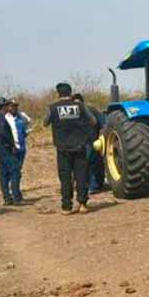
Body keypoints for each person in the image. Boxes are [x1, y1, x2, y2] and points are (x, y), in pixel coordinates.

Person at [43, 82, 98, 214]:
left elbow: (45, 123)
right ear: (70, 92)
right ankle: (83, 204)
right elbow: (94, 121)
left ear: (58, 93)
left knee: (65, 177)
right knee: (81, 176)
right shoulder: (80, 106)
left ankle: (66, 207)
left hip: (63, 149)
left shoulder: (53, 108)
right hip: (80, 147)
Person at [74, 93, 106, 194]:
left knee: (91, 163)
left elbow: (103, 124)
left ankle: (94, 185)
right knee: (84, 164)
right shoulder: (73, 113)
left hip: (92, 141)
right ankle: (89, 184)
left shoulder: (91, 110)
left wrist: (102, 138)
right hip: (78, 142)